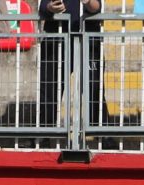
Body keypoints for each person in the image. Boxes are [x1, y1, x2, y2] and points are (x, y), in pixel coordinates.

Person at [38, 0, 107, 131]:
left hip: (88, 40)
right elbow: (42, 8)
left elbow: (96, 7)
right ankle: (43, 134)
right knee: (49, 88)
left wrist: (88, 2)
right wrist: (50, 8)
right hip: (56, 39)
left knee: (93, 88)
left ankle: (102, 135)